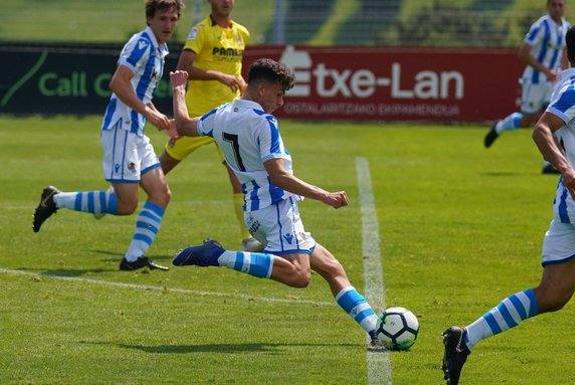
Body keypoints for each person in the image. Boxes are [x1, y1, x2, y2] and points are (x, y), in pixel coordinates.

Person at [442, 24, 575, 384]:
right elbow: (541, 130)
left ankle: (464, 338)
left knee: (552, 295)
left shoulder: (574, 87)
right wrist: (568, 170)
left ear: (567, 53)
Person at [167, 59, 383, 348]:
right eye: (279, 94)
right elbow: (278, 174)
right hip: (275, 209)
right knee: (299, 275)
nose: (281, 102)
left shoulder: (221, 114)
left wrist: (179, 89)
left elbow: (183, 125)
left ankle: (376, 331)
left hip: (255, 211)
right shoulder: (264, 122)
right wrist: (325, 196)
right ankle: (218, 255)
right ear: (261, 89)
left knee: (332, 268)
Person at [32, 0, 185, 271]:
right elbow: (117, 82)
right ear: (150, 18)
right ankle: (55, 199)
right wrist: (150, 115)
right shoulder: (141, 44)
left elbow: (140, 95)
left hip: (136, 132)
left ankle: (133, 257)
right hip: (121, 129)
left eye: (173, 19)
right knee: (126, 204)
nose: (168, 25)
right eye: (163, 18)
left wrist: (160, 119)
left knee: (161, 193)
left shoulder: (158, 49)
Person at [158, 0, 261, 251]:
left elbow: (235, 73)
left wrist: (245, 91)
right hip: (197, 118)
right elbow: (182, 69)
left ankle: (248, 238)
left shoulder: (241, 32)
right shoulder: (201, 31)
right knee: (160, 169)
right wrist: (218, 75)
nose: (225, 1)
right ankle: (117, 193)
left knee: (238, 175)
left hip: (229, 118)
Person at [484, 0, 570, 173]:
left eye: (560, 5)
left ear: (565, 7)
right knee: (527, 120)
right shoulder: (541, 26)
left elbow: (565, 54)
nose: (557, 8)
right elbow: (523, 53)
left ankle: (551, 163)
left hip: (553, 82)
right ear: (548, 7)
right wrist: (546, 71)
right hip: (535, 80)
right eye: (553, 5)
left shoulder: (567, 27)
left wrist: (565, 73)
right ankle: (500, 126)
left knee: (555, 119)